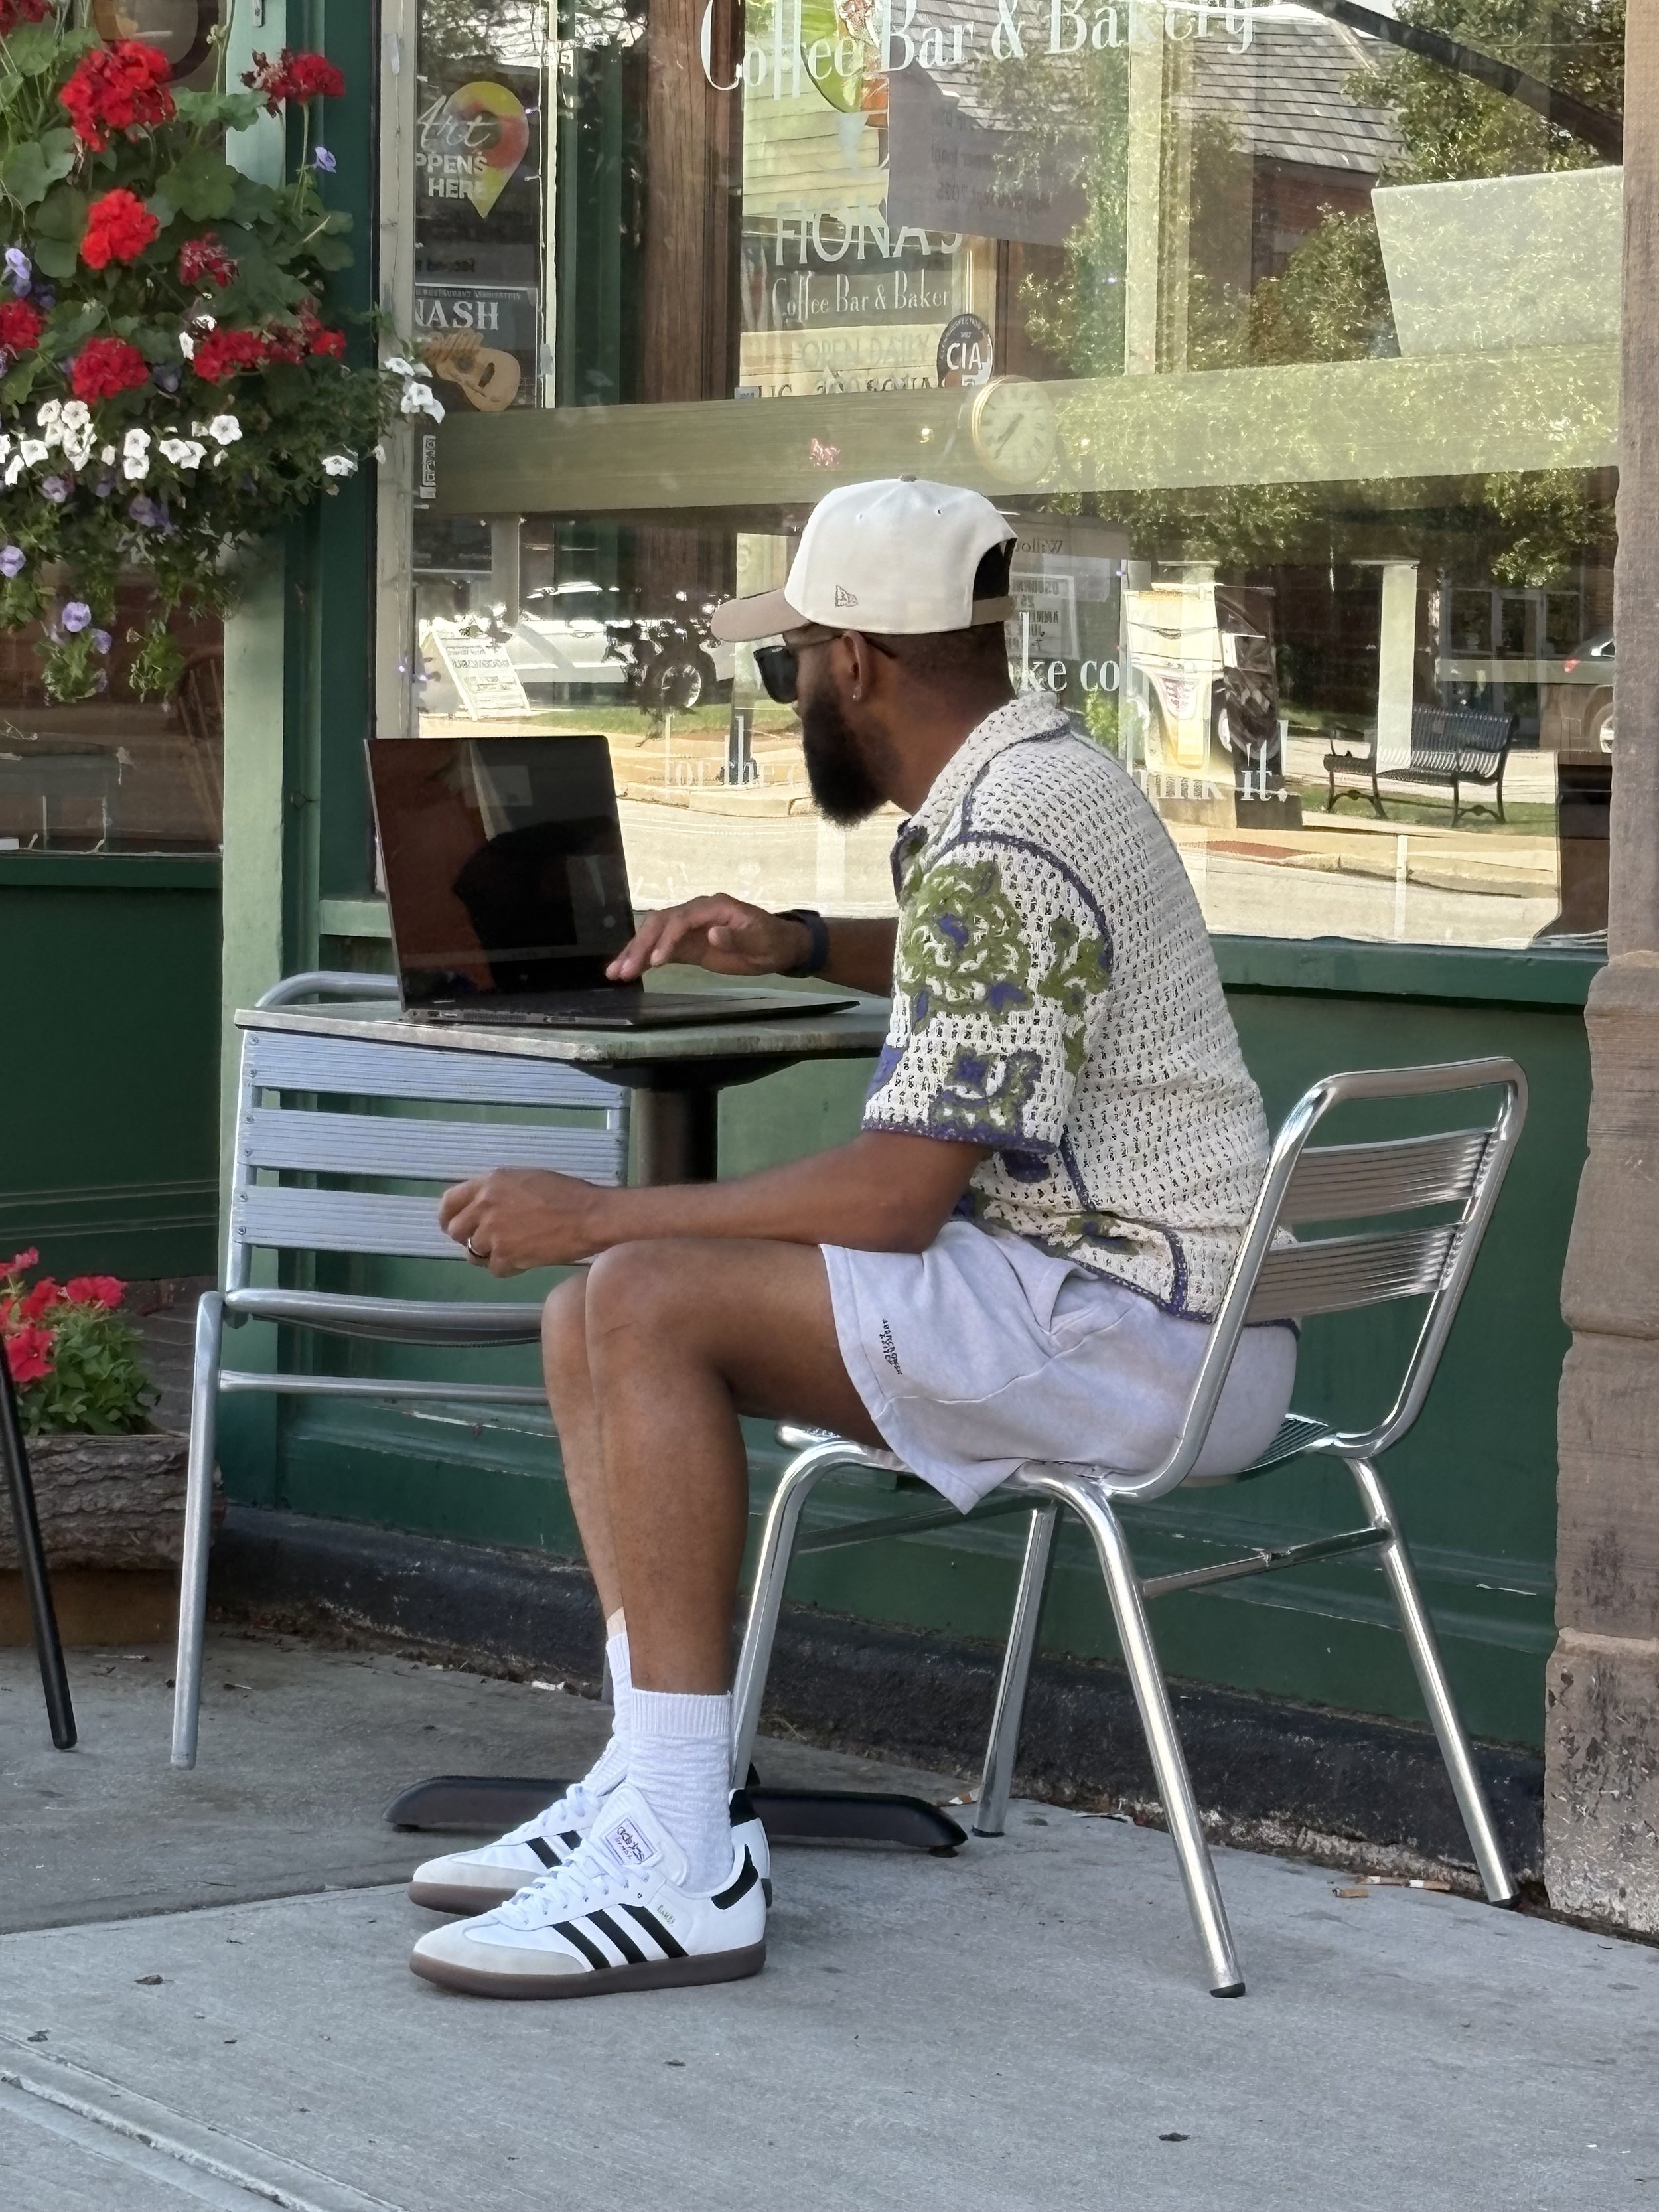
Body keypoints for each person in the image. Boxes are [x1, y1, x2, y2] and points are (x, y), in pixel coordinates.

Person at [406, 477, 1297, 2001]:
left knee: (637, 1293)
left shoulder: (1001, 839)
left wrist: (600, 1211)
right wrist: (804, 941)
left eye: (789, 661)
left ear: (858, 664)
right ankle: (655, 1782)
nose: (792, 688)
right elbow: (1003, 960)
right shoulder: (1043, 779)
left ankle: (683, 1862)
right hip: (1167, 1314)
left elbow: (896, 1199)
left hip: (1130, 1329)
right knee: (592, 1316)